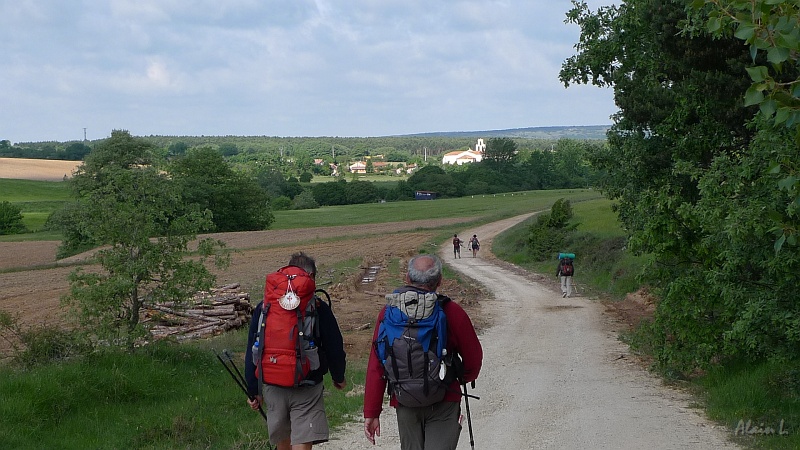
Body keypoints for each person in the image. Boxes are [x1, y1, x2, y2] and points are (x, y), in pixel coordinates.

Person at [363, 254, 483, 449]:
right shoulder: (451, 311)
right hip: (444, 398)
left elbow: (377, 364)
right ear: (439, 282)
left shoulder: (388, 313)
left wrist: (372, 411)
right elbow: (474, 358)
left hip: (405, 401)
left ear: (408, 279)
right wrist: (460, 378)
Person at [245, 252, 347, 450]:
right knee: (302, 438)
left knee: (283, 439)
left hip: (273, 382)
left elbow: (253, 347)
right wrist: (338, 376)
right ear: (312, 278)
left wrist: (253, 390)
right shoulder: (318, 307)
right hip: (308, 382)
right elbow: (334, 345)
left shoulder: (265, 306)